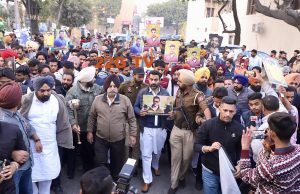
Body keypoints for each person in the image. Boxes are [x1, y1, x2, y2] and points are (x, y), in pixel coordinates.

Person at [20, 75, 73, 194]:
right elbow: (20, 122)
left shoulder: (57, 99)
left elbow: (63, 122)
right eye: (42, 90)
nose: (46, 93)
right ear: (35, 89)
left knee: (48, 177)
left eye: (48, 90)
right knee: (31, 179)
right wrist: (35, 139)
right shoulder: (26, 100)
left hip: (50, 146)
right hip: (31, 146)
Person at [168, 69, 211, 194]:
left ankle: (182, 176)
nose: (177, 81)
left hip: (189, 133)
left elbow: (206, 109)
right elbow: (176, 107)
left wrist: (209, 124)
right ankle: (174, 184)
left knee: (186, 158)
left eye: (180, 80)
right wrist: (173, 114)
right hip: (176, 130)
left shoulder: (198, 95)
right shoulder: (178, 91)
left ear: (186, 82)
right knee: (175, 159)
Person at [87, 74, 137, 181]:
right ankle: (102, 182)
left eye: (115, 86)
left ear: (118, 88)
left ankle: (114, 183)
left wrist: (133, 135)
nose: (112, 89)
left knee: (117, 163)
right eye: (110, 86)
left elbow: (132, 119)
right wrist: (89, 131)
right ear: (105, 87)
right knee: (100, 162)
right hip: (101, 138)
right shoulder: (98, 100)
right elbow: (92, 117)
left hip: (118, 138)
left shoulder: (125, 100)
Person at [240, 112, 300, 193]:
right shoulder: (298, 149)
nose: (265, 131)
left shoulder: (272, 166)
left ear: (273, 134)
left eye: (268, 128)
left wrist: (245, 147)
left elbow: (246, 176)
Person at [194, 96, 243, 194]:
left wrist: (240, 164)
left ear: (235, 111)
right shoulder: (208, 125)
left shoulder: (239, 128)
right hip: (209, 171)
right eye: (225, 110)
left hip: (230, 173)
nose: (228, 114)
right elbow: (196, 146)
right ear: (219, 108)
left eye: (231, 111)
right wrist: (208, 148)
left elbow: (240, 149)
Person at [134, 70, 170, 193]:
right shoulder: (143, 92)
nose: (153, 82)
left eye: (156, 79)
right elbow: (136, 106)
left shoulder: (165, 93)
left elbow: (170, 110)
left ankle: (156, 165)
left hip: (161, 128)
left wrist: (170, 113)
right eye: (151, 79)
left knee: (158, 150)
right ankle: (147, 180)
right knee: (146, 154)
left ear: (160, 80)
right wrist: (140, 112)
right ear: (148, 79)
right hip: (147, 128)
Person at [65, 66, 102, 177]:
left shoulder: (97, 89)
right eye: (92, 78)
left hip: (91, 127)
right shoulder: (73, 92)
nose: (94, 80)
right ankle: (70, 172)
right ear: (86, 80)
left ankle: (88, 171)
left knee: (89, 151)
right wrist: (73, 124)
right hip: (77, 128)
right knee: (73, 150)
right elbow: (69, 110)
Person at [0, 82, 32, 194]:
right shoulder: (3, 120)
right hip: (11, 173)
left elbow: (27, 127)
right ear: (17, 101)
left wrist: (36, 139)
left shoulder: (16, 113)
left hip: (23, 165)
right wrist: (12, 155)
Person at [118, 67, 147, 164]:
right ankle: (125, 164)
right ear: (133, 75)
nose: (141, 78)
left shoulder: (145, 87)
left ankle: (133, 167)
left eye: (143, 76)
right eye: (139, 76)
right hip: (125, 118)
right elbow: (118, 98)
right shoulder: (125, 85)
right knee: (126, 144)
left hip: (138, 118)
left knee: (136, 144)